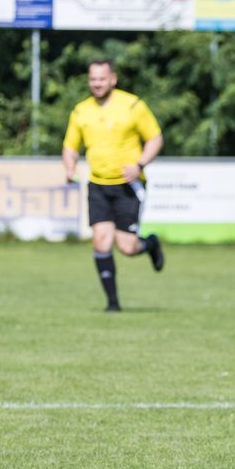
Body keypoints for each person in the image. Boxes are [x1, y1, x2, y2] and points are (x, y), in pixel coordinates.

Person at [62, 58, 165, 312]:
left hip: (128, 186)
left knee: (127, 247)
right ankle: (113, 303)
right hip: (98, 185)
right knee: (100, 241)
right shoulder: (80, 111)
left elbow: (155, 138)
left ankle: (150, 243)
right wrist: (69, 166)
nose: (97, 83)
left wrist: (139, 164)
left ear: (113, 79)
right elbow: (70, 146)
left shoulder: (132, 105)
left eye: (102, 78)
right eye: (93, 79)